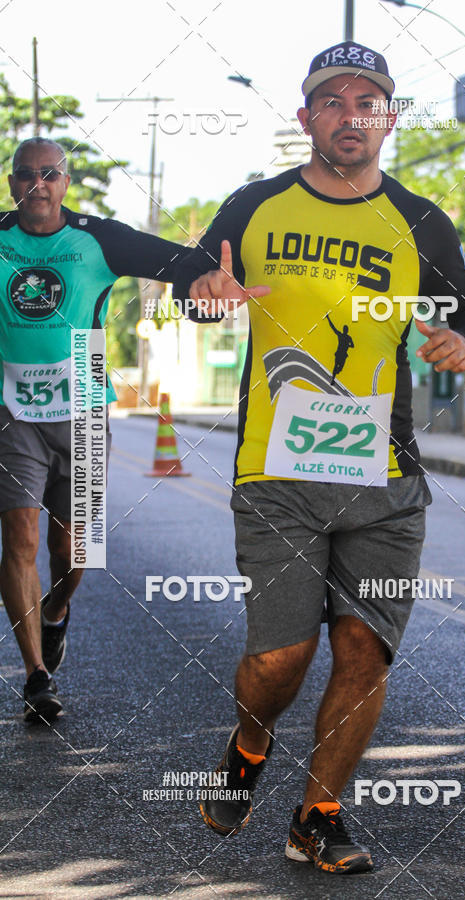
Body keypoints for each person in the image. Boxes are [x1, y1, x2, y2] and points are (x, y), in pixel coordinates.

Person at [174, 40, 465, 874]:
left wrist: (464, 341)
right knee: (284, 657)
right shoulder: (255, 206)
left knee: (364, 652)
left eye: (368, 103)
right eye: (333, 101)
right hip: (275, 471)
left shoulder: (421, 220)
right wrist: (201, 296)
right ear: (306, 116)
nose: (351, 116)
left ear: (388, 119)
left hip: (384, 476)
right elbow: (196, 289)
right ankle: (250, 745)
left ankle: (318, 814)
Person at [0, 137, 187, 723]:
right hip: (10, 416)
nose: (38, 184)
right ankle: (35, 675)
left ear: (65, 182)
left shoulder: (97, 238)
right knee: (20, 542)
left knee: (72, 548)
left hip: (81, 410)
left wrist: (218, 278)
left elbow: (179, 261)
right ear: (11, 183)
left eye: (49, 174)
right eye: (26, 174)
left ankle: (56, 613)